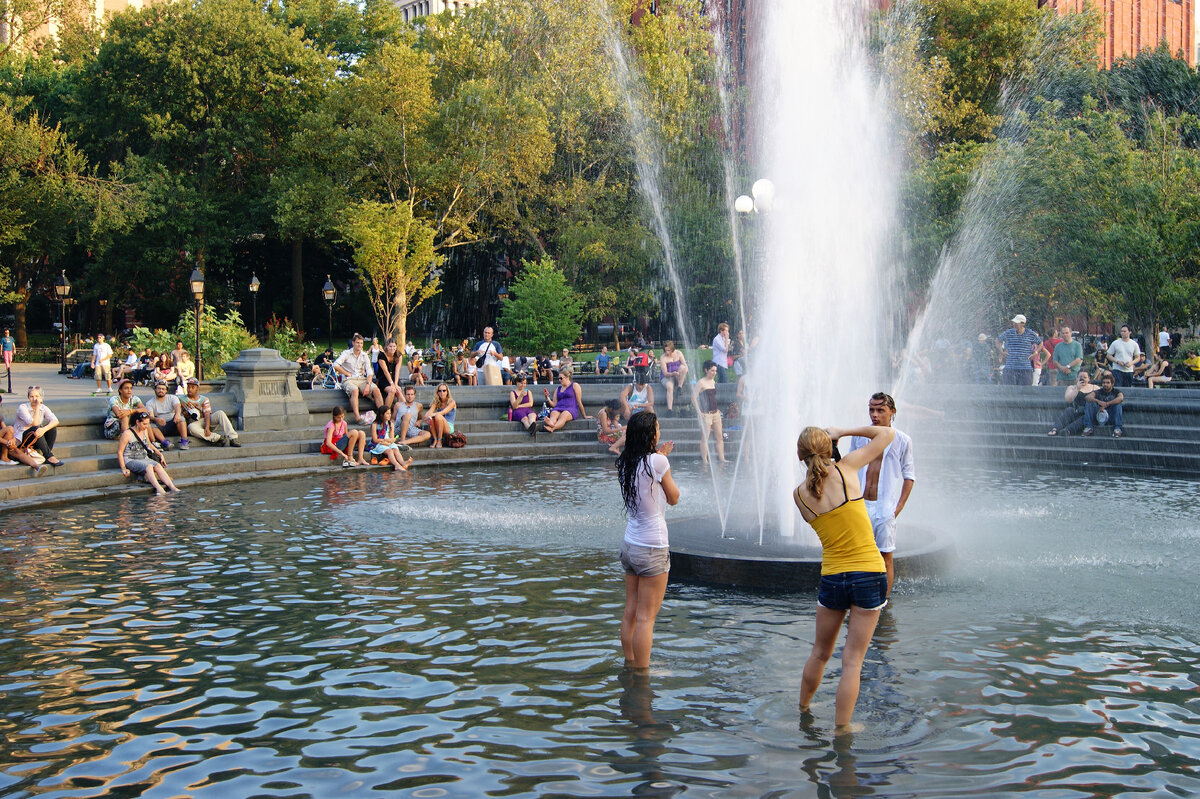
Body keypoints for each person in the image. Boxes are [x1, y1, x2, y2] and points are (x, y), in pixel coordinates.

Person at [794, 423, 895, 730]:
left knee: (819, 652)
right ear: (828, 448)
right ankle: (842, 729)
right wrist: (844, 430)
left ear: (800, 455)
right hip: (869, 573)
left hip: (833, 579)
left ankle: (803, 710)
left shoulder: (800, 496)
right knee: (852, 662)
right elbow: (886, 434)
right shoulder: (846, 469)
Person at [616, 412, 679, 670]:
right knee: (646, 619)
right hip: (653, 547)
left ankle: (630, 662)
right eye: (657, 427)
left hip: (630, 545)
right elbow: (674, 498)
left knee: (631, 610)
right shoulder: (657, 462)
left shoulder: (626, 461)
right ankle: (642, 673)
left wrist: (659, 456)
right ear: (650, 434)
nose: (660, 430)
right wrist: (662, 459)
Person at [847, 393, 914, 596]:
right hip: (860, 504)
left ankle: (883, 601)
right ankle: (858, 596)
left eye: (880, 410)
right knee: (856, 554)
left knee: (886, 556)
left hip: (885, 507)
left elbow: (909, 476)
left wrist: (898, 507)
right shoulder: (859, 437)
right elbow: (850, 466)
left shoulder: (902, 440)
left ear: (892, 412)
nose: (874, 415)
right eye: (871, 409)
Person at [118, 411, 180, 494]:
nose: (146, 426)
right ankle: (159, 488)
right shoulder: (127, 434)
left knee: (157, 465)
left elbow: (148, 444)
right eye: (144, 424)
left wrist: (159, 453)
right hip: (131, 459)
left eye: (147, 424)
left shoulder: (145, 431)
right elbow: (120, 451)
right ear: (137, 422)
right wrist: (123, 468)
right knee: (149, 466)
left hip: (144, 457)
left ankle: (172, 487)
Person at [333, 333, 382, 425]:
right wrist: (346, 373)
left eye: (361, 343)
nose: (359, 345)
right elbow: (335, 365)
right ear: (353, 343)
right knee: (354, 391)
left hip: (361, 379)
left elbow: (369, 372)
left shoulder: (364, 355)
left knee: (376, 390)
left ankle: (382, 416)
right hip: (348, 379)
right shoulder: (346, 353)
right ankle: (358, 417)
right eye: (357, 343)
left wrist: (368, 385)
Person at [181, 378, 241, 446]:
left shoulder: (204, 399)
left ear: (197, 388)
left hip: (205, 421)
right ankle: (219, 438)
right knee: (191, 427)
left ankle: (233, 438)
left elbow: (207, 414)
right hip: (194, 424)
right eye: (188, 387)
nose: (189, 389)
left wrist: (207, 427)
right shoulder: (182, 399)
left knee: (220, 413)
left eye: (192, 387)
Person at [13, 385, 64, 467]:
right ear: (28, 398)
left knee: (51, 428)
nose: (34, 399)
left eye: (37, 396)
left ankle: (47, 453)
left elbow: (55, 420)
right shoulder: (22, 407)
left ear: (41, 397)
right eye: (31, 396)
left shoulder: (43, 408)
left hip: (36, 436)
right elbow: (35, 423)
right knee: (36, 429)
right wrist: (37, 407)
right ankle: (49, 456)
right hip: (22, 438)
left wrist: (44, 429)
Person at [0, 394, 46, 474]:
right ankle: (4, 458)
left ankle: (37, 467)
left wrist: (11, 441)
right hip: (3, 443)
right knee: (10, 429)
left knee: (17, 451)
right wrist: (7, 442)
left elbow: (4, 429)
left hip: (2, 443)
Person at [693, 360, 726, 465]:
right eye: (712, 370)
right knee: (705, 438)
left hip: (715, 413)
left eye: (715, 371)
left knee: (719, 437)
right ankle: (705, 460)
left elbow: (712, 397)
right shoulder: (701, 382)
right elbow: (693, 397)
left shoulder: (713, 382)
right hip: (706, 413)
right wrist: (699, 411)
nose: (714, 373)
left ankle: (722, 458)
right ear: (706, 370)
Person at [1047, 371, 1096, 436]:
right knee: (1069, 410)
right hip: (1077, 411)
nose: (1083, 379)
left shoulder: (1095, 387)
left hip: (1088, 413)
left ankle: (1068, 430)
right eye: (1080, 377)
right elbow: (1068, 399)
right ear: (1077, 378)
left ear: (1089, 378)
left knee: (1085, 417)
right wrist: (1077, 389)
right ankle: (1055, 428)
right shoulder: (1072, 387)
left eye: (1085, 377)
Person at [997, 314, 1041, 386]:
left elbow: (1040, 343)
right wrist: (1001, 351)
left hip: (1025, 368)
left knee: (1025, 392)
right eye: (1014, 322)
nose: (1014, 324)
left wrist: (1035, 352)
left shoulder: (1030, 333)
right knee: (1009, 392)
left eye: (1016, 322)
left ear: (1023, 324)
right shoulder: (1009, 332)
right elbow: (998, 340)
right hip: (1010, 368)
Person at [542, 368, 590, 433]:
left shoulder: (575, 385)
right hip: (558, 407)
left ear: (567, 377)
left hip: (571, 408)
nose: (559, 380)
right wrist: (547, 398)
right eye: (558, 378)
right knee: (554, 413)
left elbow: (579, 401)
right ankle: (551, 422)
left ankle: (553, 428)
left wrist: (584, 415)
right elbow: (554, 404)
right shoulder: (558, 389)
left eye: (561, 378)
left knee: (563, 415)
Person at [368, 406, 415, 471]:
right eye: (387, 413)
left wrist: (390, 441)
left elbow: (392, 438)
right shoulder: (375, 424)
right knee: (389, 451)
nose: (389, 415)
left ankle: (403, 463)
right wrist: (384, 442)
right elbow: (375, 439)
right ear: (381, 415)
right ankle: (396, 465)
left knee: (395, 449)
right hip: (377, 443)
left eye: (390, 413)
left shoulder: (390, 424)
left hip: (388, 442)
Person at [146, 380, 189, 450]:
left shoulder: (173, 398)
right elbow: (151, 416)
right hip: (160, 425)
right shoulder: (150, 403)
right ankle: (165, 443)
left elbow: (177, 407)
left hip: (173, 423)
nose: (161, 390)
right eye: (159, 388)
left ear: (166, 391)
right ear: (155, 389)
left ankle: (184, 441)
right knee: (150, 425)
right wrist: (157, 419)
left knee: (181, 418)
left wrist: (177, 414)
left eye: (163, 389)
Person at [1083, 373, 1124, 437]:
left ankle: (1117, 429)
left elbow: (1121, 398)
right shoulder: (1099, 391)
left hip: (1111, 415)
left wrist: (1107, 404)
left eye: (1108, 383)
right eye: (1104, 383)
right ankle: (1089, 427)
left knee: (1118, 404)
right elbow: (1087, 397)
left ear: (1112, 384)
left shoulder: (1116, 391)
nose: (1105, 384)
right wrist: (1098, 401)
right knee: (1089, 402)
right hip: (1099, 415)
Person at [658, 341, 688, 413]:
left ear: (672, 349)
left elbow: (685, 365)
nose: (667, 352)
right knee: (670, 387)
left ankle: (679, 387)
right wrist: (672, 374)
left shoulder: (678, 353)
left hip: (678, 374)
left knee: (683, 368)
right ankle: (669, 409)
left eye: (669, 350)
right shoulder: (663, 358)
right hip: (668, 375)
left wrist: (679, 373)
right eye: (666, 350)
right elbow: (665, 373)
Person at [376, 338, 404, 409]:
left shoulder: (398, 355)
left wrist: (396, 383)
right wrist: (392, 383)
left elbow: (397, 370)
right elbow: (385, 371)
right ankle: (386, 412)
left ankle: (401, 411)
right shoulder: (381, 355)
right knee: (392, 390)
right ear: (386, 347)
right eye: (390, 346)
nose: (392, 348)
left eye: (394, 346)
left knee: (398, 390)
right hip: (383, 378)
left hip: (394, 378)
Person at [426, 383, 457, 448]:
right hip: (439, 426)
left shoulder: (452, 402)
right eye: (439, 391)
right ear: (437, 392)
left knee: (438, 416)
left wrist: (432, 414)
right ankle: (435, 439)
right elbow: (427, 414)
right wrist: (428, 417)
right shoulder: (436, 402)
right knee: (431, 418)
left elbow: (443, 412)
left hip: (448, 427)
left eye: (444, 390)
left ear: (447, 392)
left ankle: (439, 440)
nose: (442, 392)